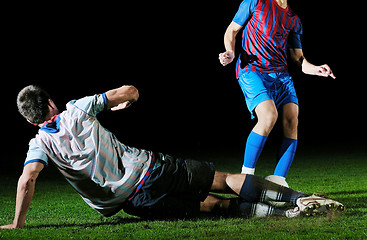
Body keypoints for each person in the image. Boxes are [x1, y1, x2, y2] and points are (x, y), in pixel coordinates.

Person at [0, 85, 343, 229]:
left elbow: (28, 178)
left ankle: (286, 219)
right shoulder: (77, 109)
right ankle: (298, 199)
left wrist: (17, 223)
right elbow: (131, 90)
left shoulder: (38, 146)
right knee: (222, 180)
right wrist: (124, 103)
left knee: (214, 206)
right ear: (50, 103)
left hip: (134, 200)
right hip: (150, 167)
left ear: (31, 119)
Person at [219, 0, 336, 181]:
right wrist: (231, 52)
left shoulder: (294, 19)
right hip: (253, 70)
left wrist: (316, 69)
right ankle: (245, 178)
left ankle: (278, 182)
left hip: (281, 75)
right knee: (268, 116)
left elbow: (298, 58)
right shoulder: (254, 3)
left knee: (292, 120)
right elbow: (232, 30)